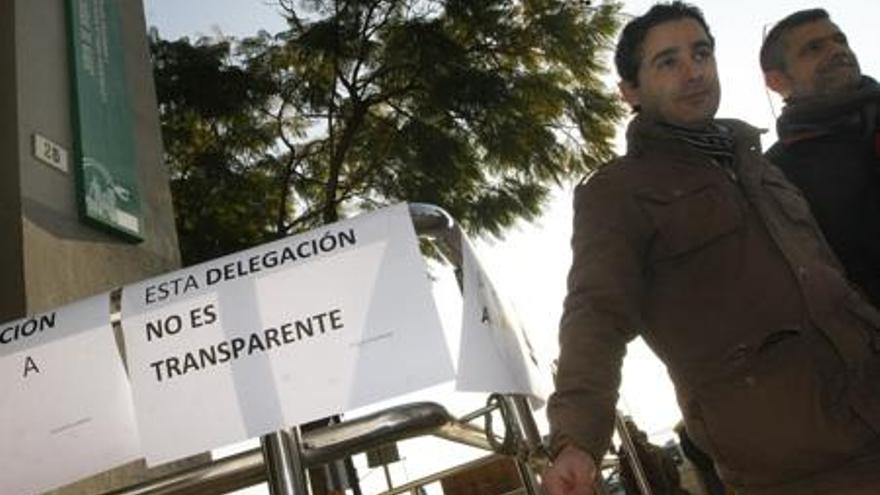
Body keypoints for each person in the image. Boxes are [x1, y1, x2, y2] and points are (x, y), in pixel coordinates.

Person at [541, 3, 880, 495]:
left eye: (701, 53)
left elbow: (831, 281)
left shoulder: (760, 168)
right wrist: (576, 440)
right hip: (793, 462)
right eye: (668, 61)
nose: (693, 70)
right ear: (629, 92)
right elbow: (596, 312)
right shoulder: (617, 193)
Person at [760, 8, 880, 309]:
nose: (837, 51)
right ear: (776, 81)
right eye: (814, 49)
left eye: (840, 40)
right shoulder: (774, 174)